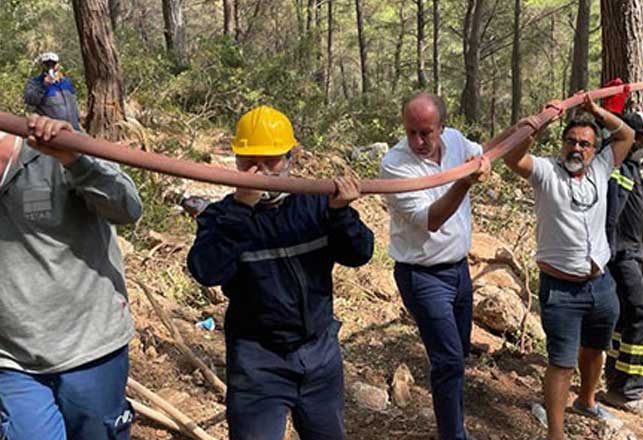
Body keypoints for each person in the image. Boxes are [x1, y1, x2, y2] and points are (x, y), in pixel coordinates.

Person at [187, 106, 374, 440]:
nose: (259, 171)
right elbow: (206, 270)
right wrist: (242, 209)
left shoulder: (315, 202)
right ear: (235, 161)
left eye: (270, 160)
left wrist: (341, 214)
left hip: (319, 353)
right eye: (248, 161)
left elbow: (360, 254)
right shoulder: (222, 216)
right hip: (257, 362)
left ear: (290, 158)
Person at [503, 89, 635, 440]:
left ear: (594, 150)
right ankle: (556, 433)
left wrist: (596, 109)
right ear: (562, 144)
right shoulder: (546, 171)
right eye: (571, 142)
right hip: (561, 289)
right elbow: (514, 158)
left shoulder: (602, 168)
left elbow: (626, 135)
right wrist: (539, 125)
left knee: (595, 349)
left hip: (601, 284)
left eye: (585, 144)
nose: (577, 148)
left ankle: (587, 400)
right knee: (561, 362)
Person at [0, 115, 143, 439]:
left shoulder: (54, 149)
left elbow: (128, 208)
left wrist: (75, 160)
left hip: (90, 349)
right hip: (12, 361)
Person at [379, 93, 490, 440]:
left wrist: (482, 161)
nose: (418, 141)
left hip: (459, 271)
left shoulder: (456, 140)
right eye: (411, 132)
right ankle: (452, 435)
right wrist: (464, 182)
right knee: (448, 362)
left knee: (458, 357)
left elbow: (479, 152)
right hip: (422, 277)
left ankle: (455, 428)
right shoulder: (395, 164)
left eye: (426, 132)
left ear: (442, 127)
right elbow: (432, 219)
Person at [601, 111, 643, 416]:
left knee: (625, 318)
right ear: (630, 137)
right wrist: (608, 257)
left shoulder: (637, 168)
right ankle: (629, 391)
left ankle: (614, 382)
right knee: (642, 316)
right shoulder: (618, 168)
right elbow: (611, 216)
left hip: (634, 255)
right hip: (620, 255)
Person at [23, 52, 82, 131]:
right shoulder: (35, 82)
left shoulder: (66, 82)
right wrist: (43, 86)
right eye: (47, 64)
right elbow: (30, 100)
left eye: (53, 64)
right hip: (52, 131)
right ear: (43, 65)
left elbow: (74, 103)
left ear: (57, 65)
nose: (50, 67)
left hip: (73, 129)